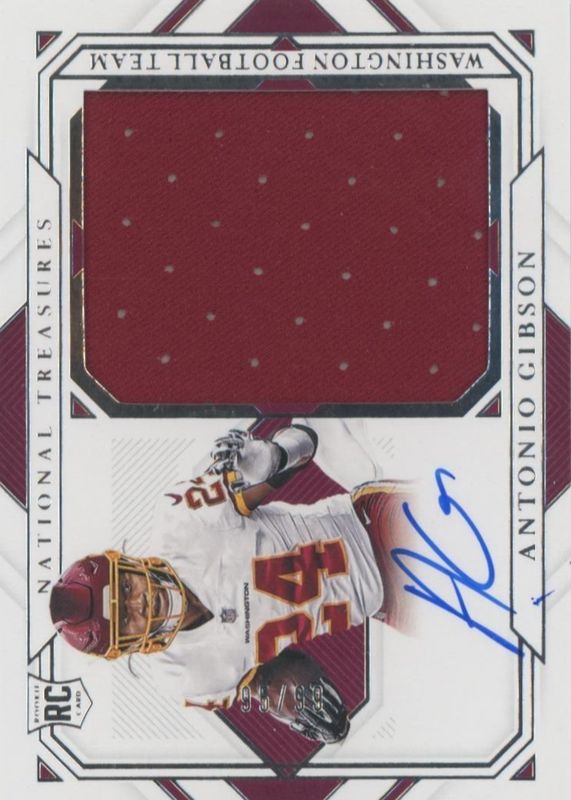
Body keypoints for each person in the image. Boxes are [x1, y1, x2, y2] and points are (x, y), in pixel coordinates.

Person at [50, 425, 413, 744]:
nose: (139, 605)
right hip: (387, 606)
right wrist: (292, 703)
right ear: (127, 646)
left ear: (127, 565)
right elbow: (269, 679)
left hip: (375, 526)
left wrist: (275, 455)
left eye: (126, 589)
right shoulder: (183, 676)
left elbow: (306, 440)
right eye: (125, 619)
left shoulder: (182, 521)